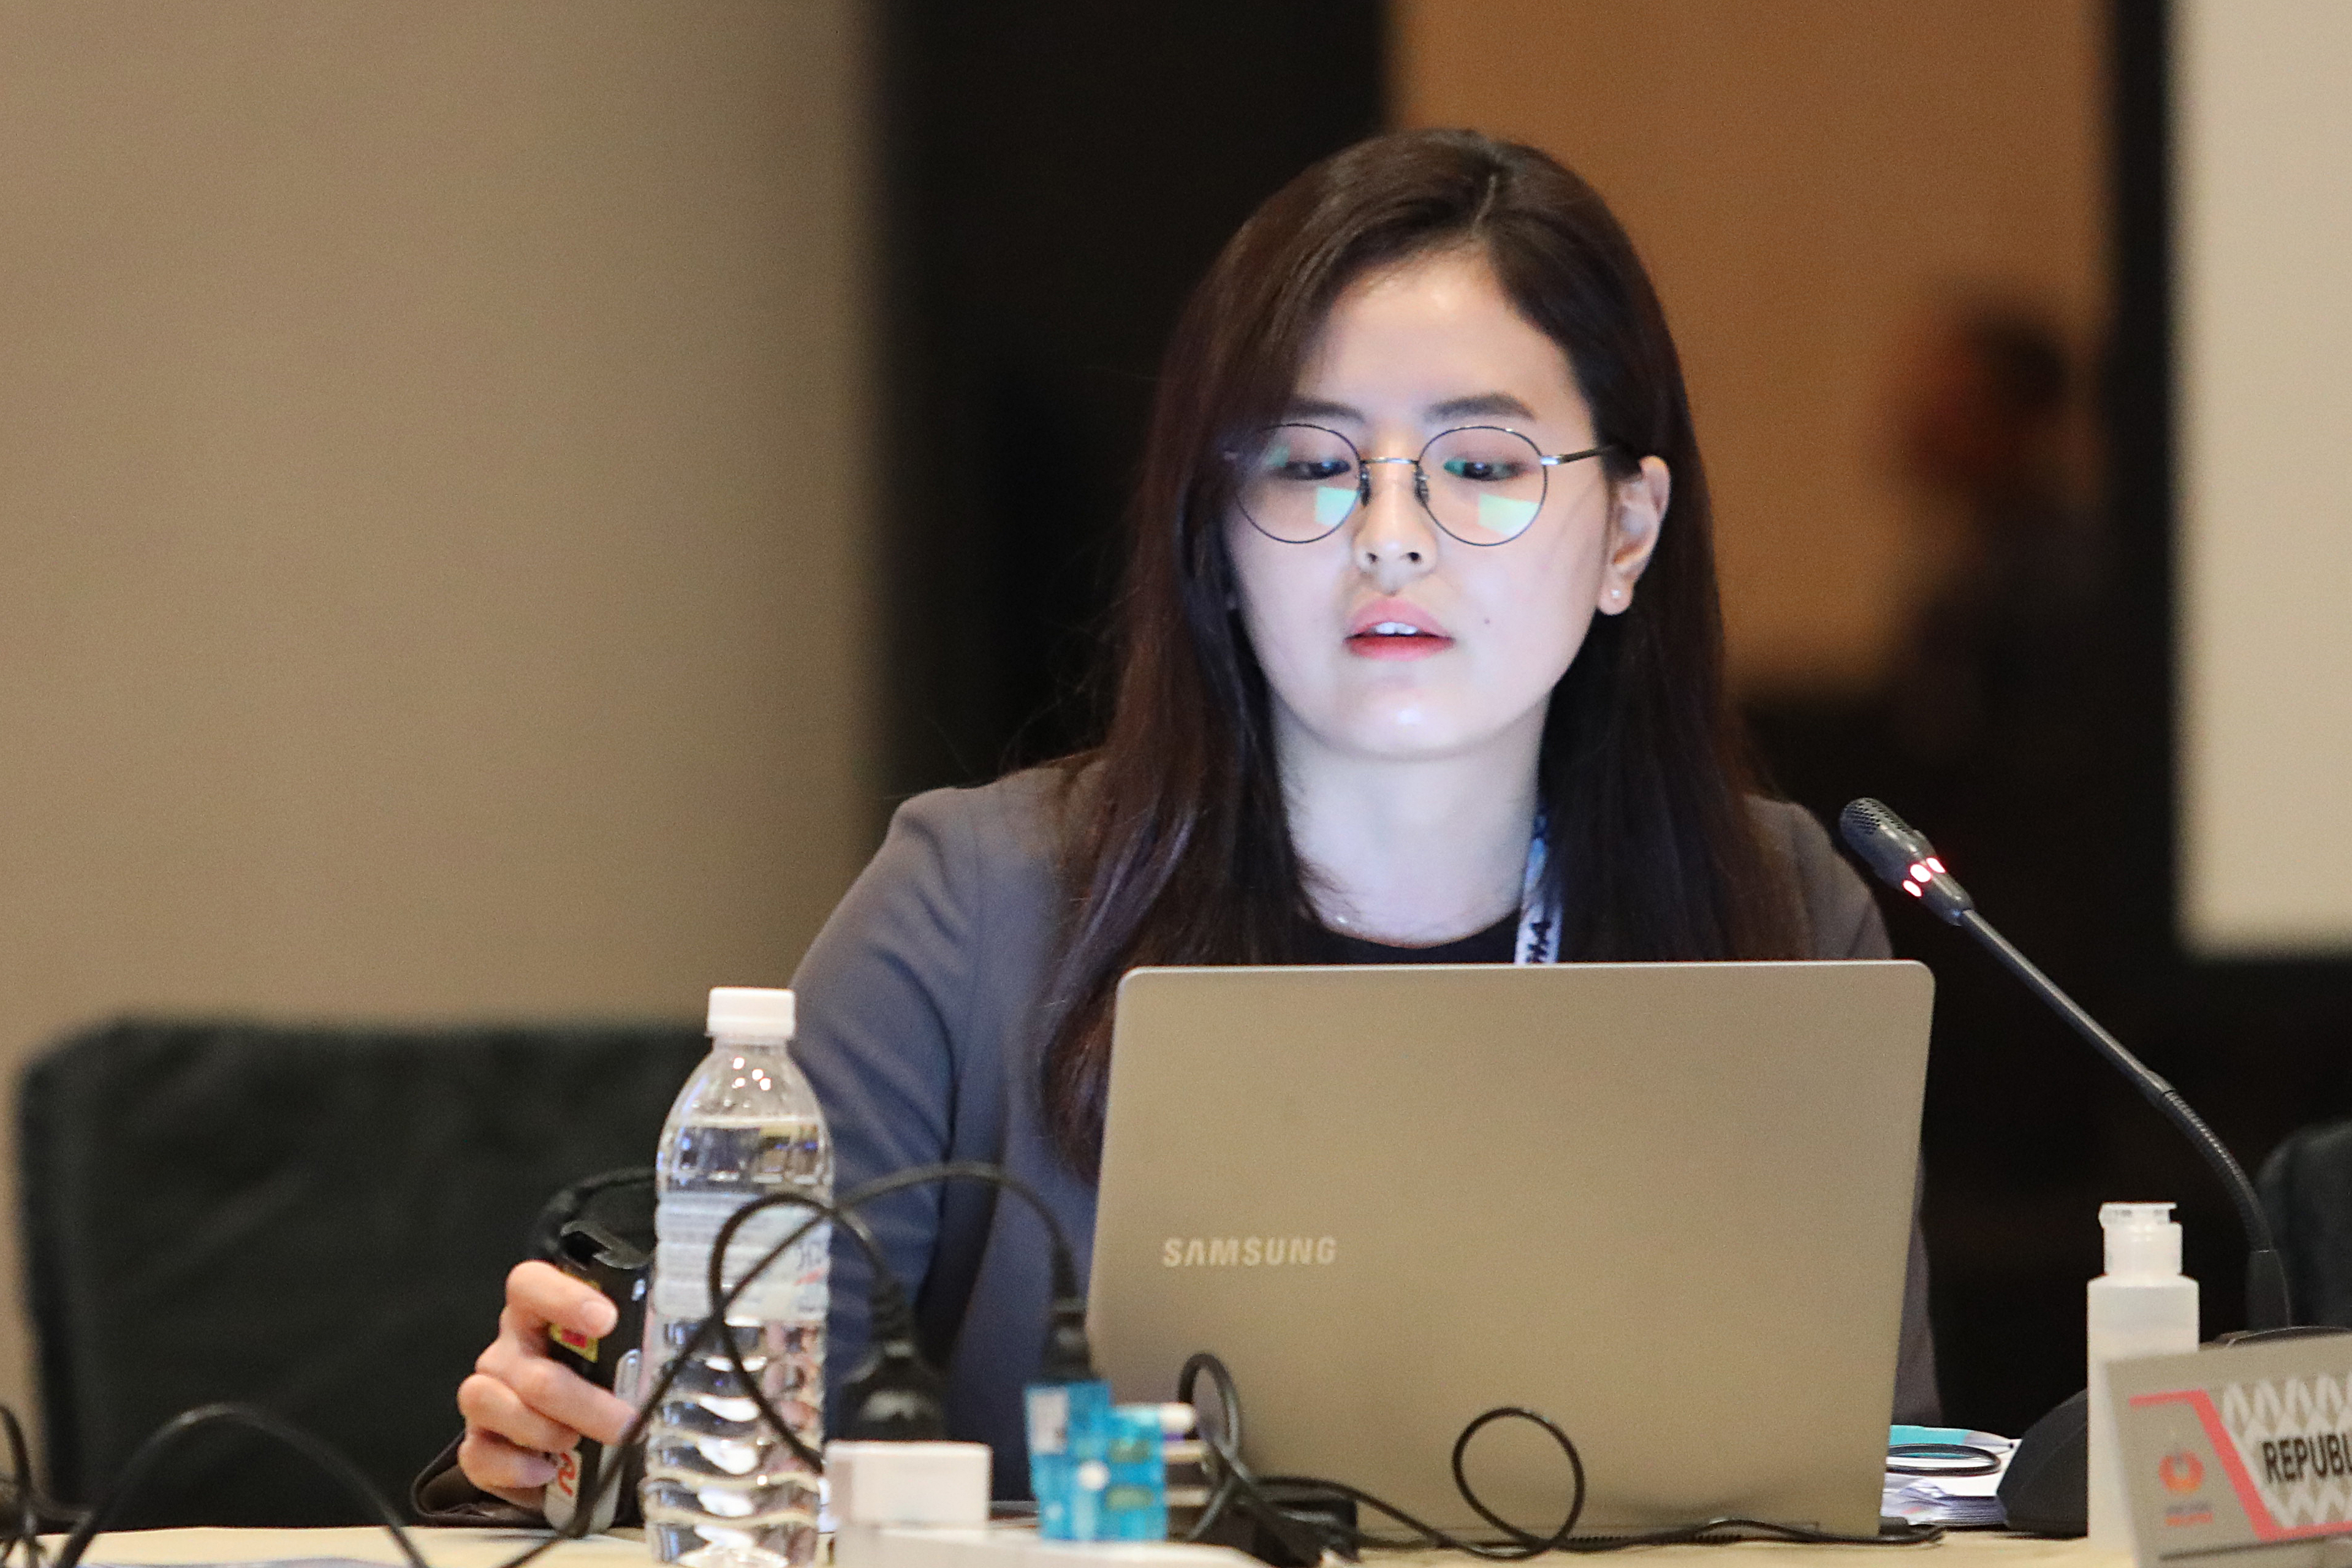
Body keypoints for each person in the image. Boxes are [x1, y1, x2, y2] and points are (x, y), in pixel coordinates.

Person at [447, 128, 1941, 1513]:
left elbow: (1870, 1484)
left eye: (1482, 466)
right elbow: (704, 1465)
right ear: (1214, 534)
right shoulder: (974, 907)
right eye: (1309, 464)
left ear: (1625, 530)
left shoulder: (1782, 913)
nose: (1391, 535)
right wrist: (570, 1442)